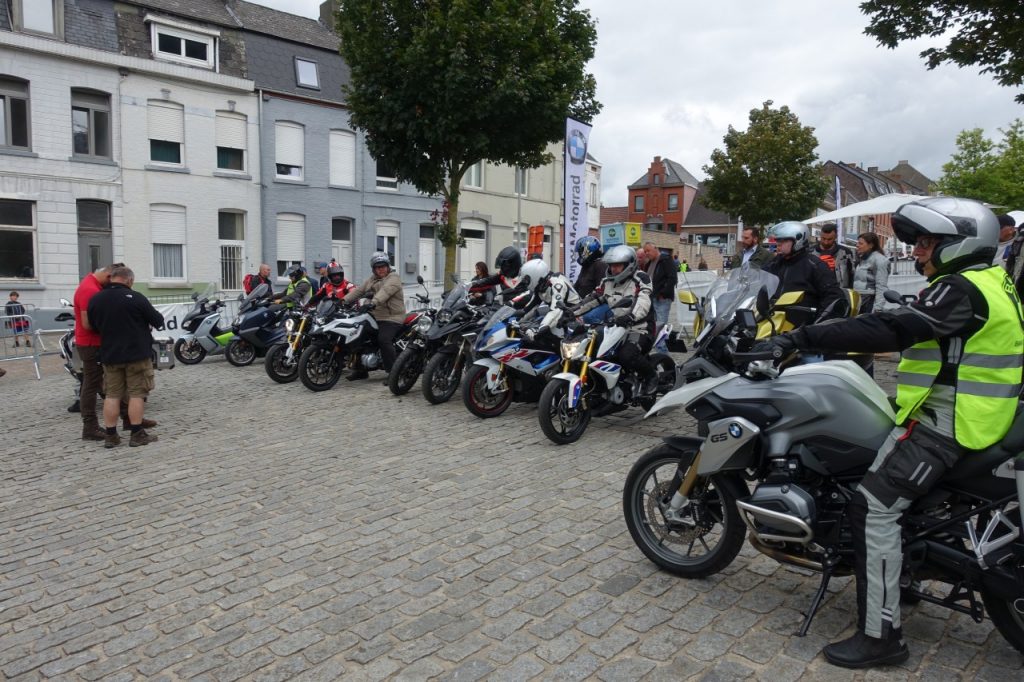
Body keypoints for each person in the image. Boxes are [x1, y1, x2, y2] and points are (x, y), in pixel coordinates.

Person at [755, 197, 1024, 669]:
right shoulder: (994, 279)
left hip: (951, 423)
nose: (917, 251)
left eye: (926, 242)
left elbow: (891, 329)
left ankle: (882, 637)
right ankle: (903, 580)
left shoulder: (961, 288)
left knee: (873, 508)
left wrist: (799, 339)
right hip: (980, 414)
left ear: (959, 244)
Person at [86, 266, 165, 448]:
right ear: (129, 280)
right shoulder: (136, 298)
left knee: (112, 395)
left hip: (110, 354)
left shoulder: (96, 300)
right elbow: (158, 321)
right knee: (137, 394)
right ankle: (137, 433)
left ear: (112, 278)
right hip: (137, 354)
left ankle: (111, 435)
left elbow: (94, 326)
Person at [573, 245, 658, 395]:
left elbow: (643, 301)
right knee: (594, 351)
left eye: (618, 265)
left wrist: (631, 317)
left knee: (627, 355)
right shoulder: (607, 281)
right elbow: (593, 298)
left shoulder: (641, 278)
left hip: (640, 327)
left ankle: (651, 376)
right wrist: (571, 312)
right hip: (616, 326)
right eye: (612, 265)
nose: (614, 269)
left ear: (629, 264)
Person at [763, 221, 844, 325]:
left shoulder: (815, 265)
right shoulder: (775, 263)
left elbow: (833, 298)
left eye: (783, 240)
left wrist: (817, 324)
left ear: (798, 240)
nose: (778, 244)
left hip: (801, 329)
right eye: (778, 240)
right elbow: (758, 280)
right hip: (773, 322)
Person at [342, 252, 406, 382]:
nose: (381, 269)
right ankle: (360, 370)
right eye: (378, 267)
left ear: (388, 266)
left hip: (392, 317)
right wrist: (343, 301)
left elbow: (385, 292)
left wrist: (372, 303)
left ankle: (394, 373)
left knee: (384, 340)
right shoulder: (372, 279)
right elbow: (359, 290)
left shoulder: (394, 278)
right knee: (357, 334)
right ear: (374, 269)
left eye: (383, 266)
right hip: (375, 316)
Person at [643, 242, 676, 352]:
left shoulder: (665, 260)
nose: (647, 253)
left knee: (660, 328)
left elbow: (672, 278)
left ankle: (663, 355)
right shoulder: (649, 263)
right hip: (652, 299)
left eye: (648, 250)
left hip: (661, 299)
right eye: (645, 251)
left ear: (655, 248)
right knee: (654, 327)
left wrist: (663, 293)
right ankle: (660, 353)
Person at [853, 232, 890, 314]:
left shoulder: (880, 260)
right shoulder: (862, 258)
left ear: (871, 245)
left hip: (869, 300)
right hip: (858, 298)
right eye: (857, 243)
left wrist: (878, 308)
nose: (857, 245)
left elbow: (881, 285)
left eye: (861, 243)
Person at [811, 222, 855, 288]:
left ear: (836, 237)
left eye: (829, 239)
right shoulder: (810, 252)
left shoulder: (846, 252)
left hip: (839, 292)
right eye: (823, 238)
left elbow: (852, 274)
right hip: (815, 293)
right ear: (820, 235)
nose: (826, 242)